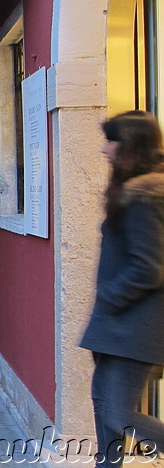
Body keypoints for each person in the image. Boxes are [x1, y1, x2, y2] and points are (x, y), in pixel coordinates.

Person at [80, 110, 164, 467]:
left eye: (111, 140)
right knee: (103, 405)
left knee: (118, 414)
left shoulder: (145, 197)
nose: (104, 149)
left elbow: (150, 267)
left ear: (129, 144)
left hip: (134, 328)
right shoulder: (135, 193)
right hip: (118, 327)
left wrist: (111, 298)